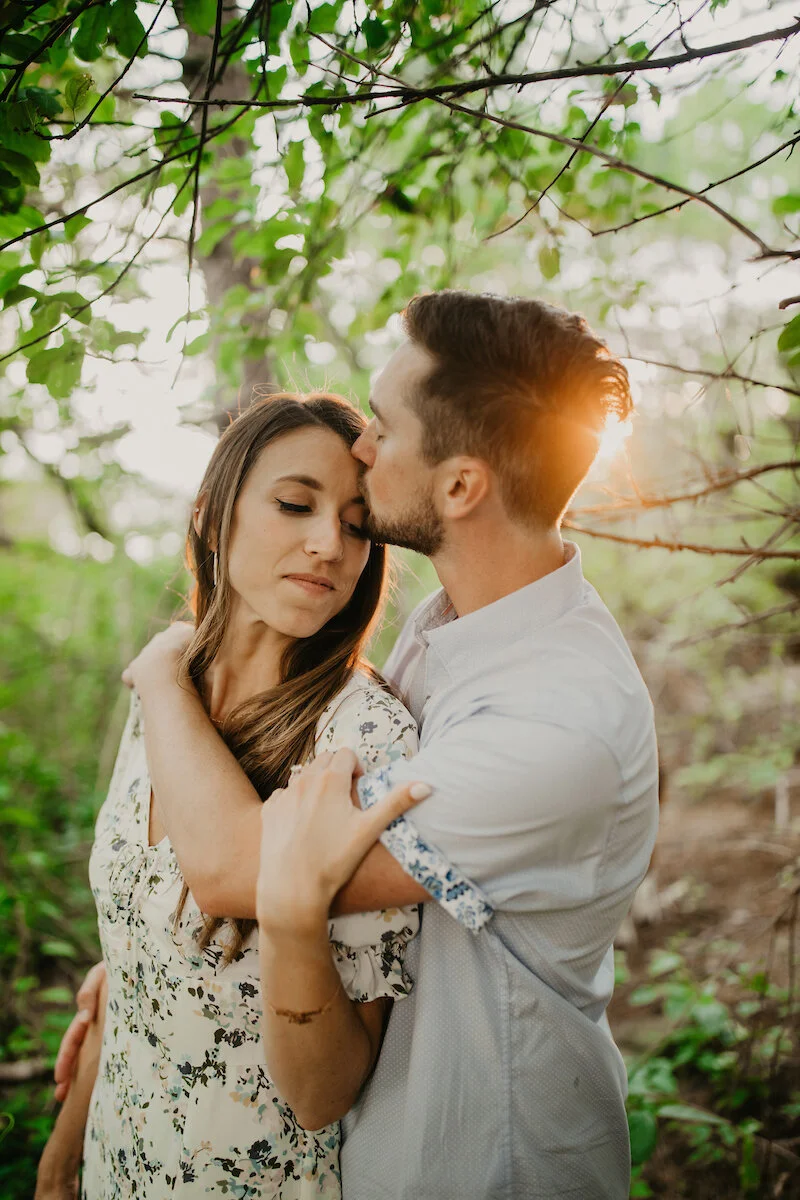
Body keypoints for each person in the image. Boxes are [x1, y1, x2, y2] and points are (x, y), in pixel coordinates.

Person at [55, 291, 660, 1199]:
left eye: (381, 426)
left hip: (481, 1161)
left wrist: (159, 666)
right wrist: (140, 966)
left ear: (459, 487)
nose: (362, 447)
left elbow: (229, 872)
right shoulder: (455, 620)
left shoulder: (556, 727)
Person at [36, 393, 428, 1200]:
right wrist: (58, 1163)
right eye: (294, 504)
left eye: (358, 524)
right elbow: (126, 976)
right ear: (213, 516)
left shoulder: (362, 740)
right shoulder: (168, 695)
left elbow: (323, 1097)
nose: (329, 546)